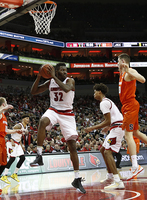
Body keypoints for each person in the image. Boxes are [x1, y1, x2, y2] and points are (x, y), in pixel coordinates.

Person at [30, 63, 86, 194]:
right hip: (54, 110)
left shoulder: (70, 80)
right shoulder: (50, 82)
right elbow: (33, 91)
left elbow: (67, 89)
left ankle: (77, 178)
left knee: (72, 145)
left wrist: (54, 77)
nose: (65, 72)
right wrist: (39, 77)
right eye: (61, 70)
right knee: (43, 121)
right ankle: (39, 155)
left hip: (67, 114)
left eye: (65, 70)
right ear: (56, 71)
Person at [118, 53, 147, 180]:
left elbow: (143, 79)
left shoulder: (129, 72)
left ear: (122, 61)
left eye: (118, 61)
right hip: (128, 106)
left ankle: (135, 166)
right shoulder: (122, 74)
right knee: (136, 132)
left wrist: (128, 69)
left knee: (128, 135)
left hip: (130, 106)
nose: (117, 64)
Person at [85, 83, 125, 190]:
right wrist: (108, 127)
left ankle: (118, 182)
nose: (93, 94)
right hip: (115, 127)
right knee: (103, 150)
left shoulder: (103, 103)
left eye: (95, 92)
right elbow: (112, 118)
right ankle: (110, 175)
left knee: (108, 152)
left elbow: (108, 120)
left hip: (117, 128)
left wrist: (92, 128)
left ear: (99, 92)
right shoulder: (107, 101)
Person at [0, 97, 24, 197]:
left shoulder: (3, 116)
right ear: (3, 104)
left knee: (3, 163)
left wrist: (16, 131)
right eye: (6, 103)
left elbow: (5, 131)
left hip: (1, 139)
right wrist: (3, 109)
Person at [1, 115, 29, 184]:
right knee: (12, 159)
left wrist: (22, 145)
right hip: (11, 143)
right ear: (23, 119)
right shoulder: (19, 125)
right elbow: (8, 132)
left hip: (18, 144)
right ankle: (4, 175)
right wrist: (11, 140)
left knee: (22, 158)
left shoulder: (26, 127)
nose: (28, 119)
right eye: (26, 118)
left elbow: (19, 137)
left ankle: (14, 174)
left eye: (28, 118)